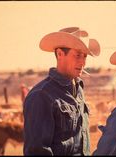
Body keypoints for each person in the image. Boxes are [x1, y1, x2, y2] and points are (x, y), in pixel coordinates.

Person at [23, 27, 100, 155]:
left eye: (85, 56)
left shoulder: (78, 89)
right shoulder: (41, 95)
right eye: (77, 55)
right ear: (59, 54)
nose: (82, 62)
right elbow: (37, 151)